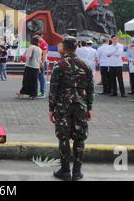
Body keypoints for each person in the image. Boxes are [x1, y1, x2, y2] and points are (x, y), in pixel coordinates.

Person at [48, 36, 94, 181]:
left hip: (63, 106)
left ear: (65, 47)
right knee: (79, 138)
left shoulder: (59, 65)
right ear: (76, 47)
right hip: (81, 106)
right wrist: (89, 107)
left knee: (63, 137)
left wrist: (51, 109)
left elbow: (53, 90)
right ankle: (77, 172)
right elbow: (90, 88)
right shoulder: (85, 65)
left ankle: (65, 171)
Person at [35, 32, 48, 96]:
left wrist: (42, 63)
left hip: (41, 62)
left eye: (37, 37)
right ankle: (40, 91)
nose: (36, 38)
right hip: (38, 62)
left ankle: (42, 92)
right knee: (39, 78)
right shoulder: (39, 43)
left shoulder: (43, 43)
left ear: (41, 36)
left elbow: (44, 54)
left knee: (41, 78)